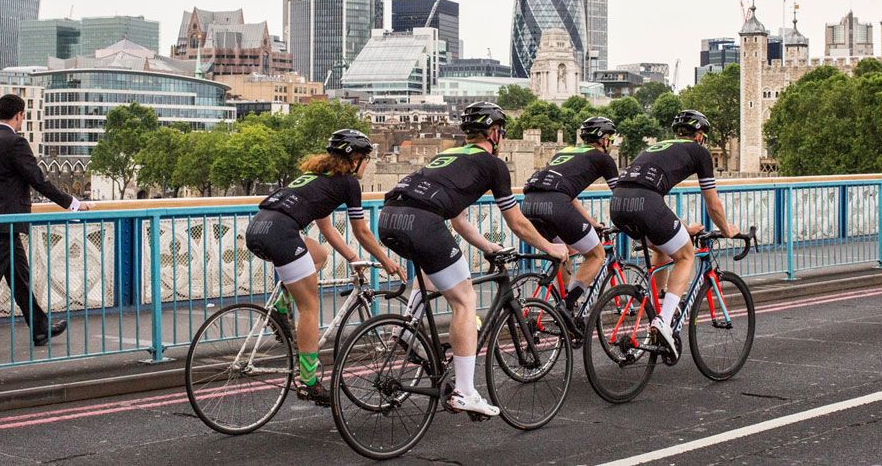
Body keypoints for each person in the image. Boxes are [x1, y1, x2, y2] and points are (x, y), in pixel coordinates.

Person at [378, 101, 568, 418]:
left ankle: (407, 332)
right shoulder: (493, 165)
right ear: (494, 133)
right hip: (422, 221)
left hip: (389, 218)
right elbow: (517, 222)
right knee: (465, 299)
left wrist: (486, 246)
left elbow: (458, 219)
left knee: (429, 271)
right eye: (501, 133)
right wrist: (551, 247)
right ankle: (465, 392)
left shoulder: (448, 157)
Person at [245, 129, 402, 406]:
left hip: (258, 228)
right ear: (353, 160)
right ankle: (308, 382)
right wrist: (387, 261)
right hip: (282, 233)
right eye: (366, 158)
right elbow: (362, 231)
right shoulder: (348, 184)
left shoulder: (317, 178)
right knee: (309, 307)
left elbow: (325, 227)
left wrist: (353, 257)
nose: (367, 164)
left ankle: (281, 307)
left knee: (318, 254)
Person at [0, 94, 90, 357]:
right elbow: (38, 180)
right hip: (7, 221)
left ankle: (40, 328)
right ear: (19, 115)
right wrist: (73, 204)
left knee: (19, 277)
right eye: (23, 115)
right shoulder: (16, 142)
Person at [609, 109, 737, 358]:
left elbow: (654, 198)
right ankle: (664, 321)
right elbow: (713, 204)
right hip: (646, 204)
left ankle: (657, 305)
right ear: (699, 135)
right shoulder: (699, 151)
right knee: (686, 256)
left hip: (618, 205)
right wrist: (727, 230)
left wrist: (684, 229)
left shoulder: (659, 147)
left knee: (664, 249)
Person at [520, 115, 619, 317]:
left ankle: (563, 305)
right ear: (602, 139)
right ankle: (567, 306)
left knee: (565, 251)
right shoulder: (604, 159)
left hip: (529, 203)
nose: (610, 142)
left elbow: (569, 195)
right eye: (610, 137)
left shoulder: (564, 153)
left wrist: (591, 223)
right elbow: (620, 195)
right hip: (556, 205)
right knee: (596, 254)